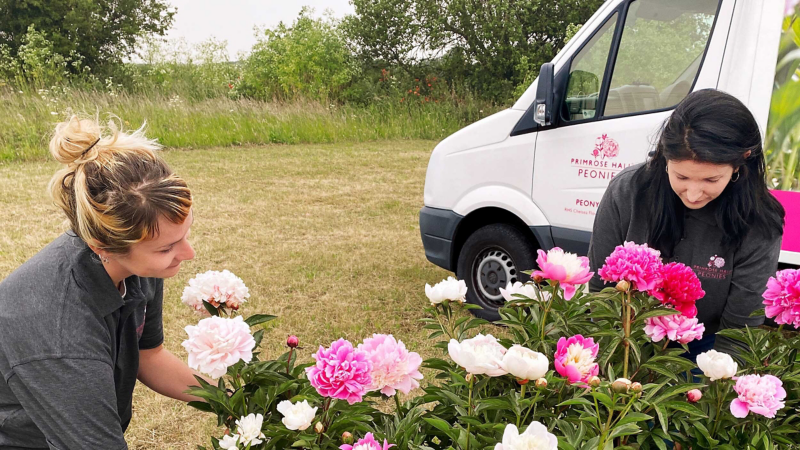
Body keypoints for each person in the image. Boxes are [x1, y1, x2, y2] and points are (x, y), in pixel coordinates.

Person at [0, 115, 209, 449]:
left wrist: (235, 401)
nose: (188, 253)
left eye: (184, 236)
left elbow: (149, 355)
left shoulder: (135, 265)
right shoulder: (60, 333)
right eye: (167, 247)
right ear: (102, 248)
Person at [588, 89, 785, 360]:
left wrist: (711, 386)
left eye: (710, 181)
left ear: (741, 163)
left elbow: (739, 334)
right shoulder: (628, 192)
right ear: (665, 157)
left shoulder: (760, 222)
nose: (693, 194)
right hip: (626, 337)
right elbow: (601, 292)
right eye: (681, 176)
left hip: (707, 347)